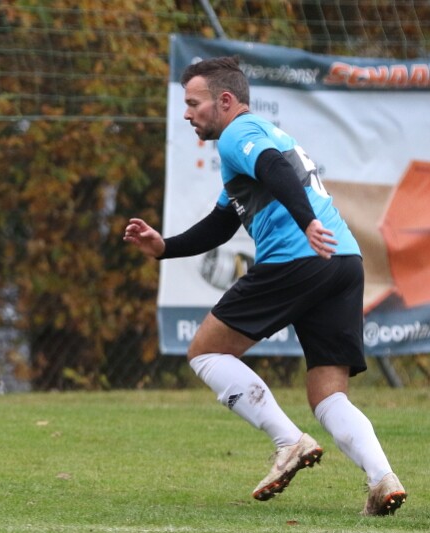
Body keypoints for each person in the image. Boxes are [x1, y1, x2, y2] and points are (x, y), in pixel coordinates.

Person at [124, 56, 405, 516]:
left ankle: (288, 441)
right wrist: (164, 248)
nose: (187, 113)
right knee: (328, 394)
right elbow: (222, 222)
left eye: (193, 103)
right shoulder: (256, 141)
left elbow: (275, 169)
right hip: (342, 262)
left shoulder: (240, 133)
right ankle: (382, 479)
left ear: (225, 101)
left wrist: (306, 222)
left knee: (205, 352)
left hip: (298, 259)